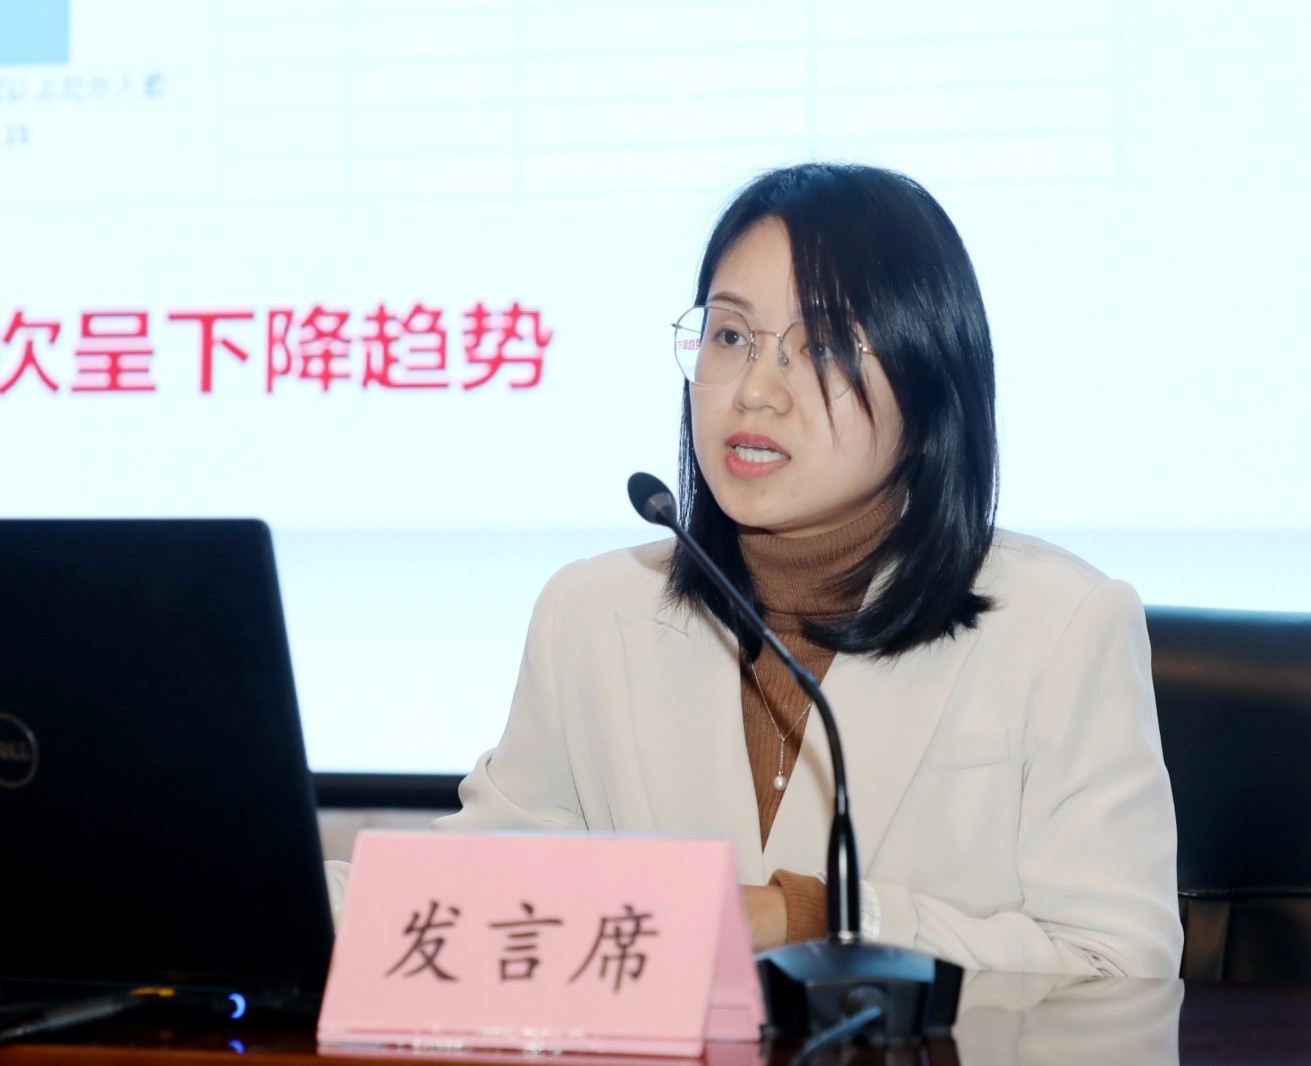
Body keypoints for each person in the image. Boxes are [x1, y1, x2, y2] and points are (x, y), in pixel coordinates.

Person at [433, 162, 1182, 975]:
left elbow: (1120, 967)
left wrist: (830, 921)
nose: (755, 390)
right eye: (730, 336)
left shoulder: (1063, 625)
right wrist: (321, 900)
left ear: (929, 392)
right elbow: (468, 898)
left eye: (822, 345)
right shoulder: (587, 611)